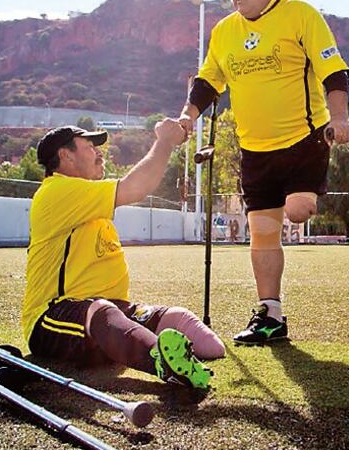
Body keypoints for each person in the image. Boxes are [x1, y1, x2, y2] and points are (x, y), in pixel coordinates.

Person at [178, 0, 349, 345]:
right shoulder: (225, 31)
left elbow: (334, 70)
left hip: (303, 140)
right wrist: (187, 117)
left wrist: (340, 118)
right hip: (254, 149)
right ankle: (270, 315)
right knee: (262, 233)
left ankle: (305, 199)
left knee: (298, 210)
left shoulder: (300, 15)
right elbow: (208, 82)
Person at [22, 122, 224, 391]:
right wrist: (165, 141)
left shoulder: (87, 199)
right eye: (90, 147)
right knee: (101, 310)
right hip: (53, 316)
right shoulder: (56, 190)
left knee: (196, 333)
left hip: (110, 312)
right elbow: (135, 187)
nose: (99, 153)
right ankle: (164, 362)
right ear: (65, 155)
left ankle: (166, 353)